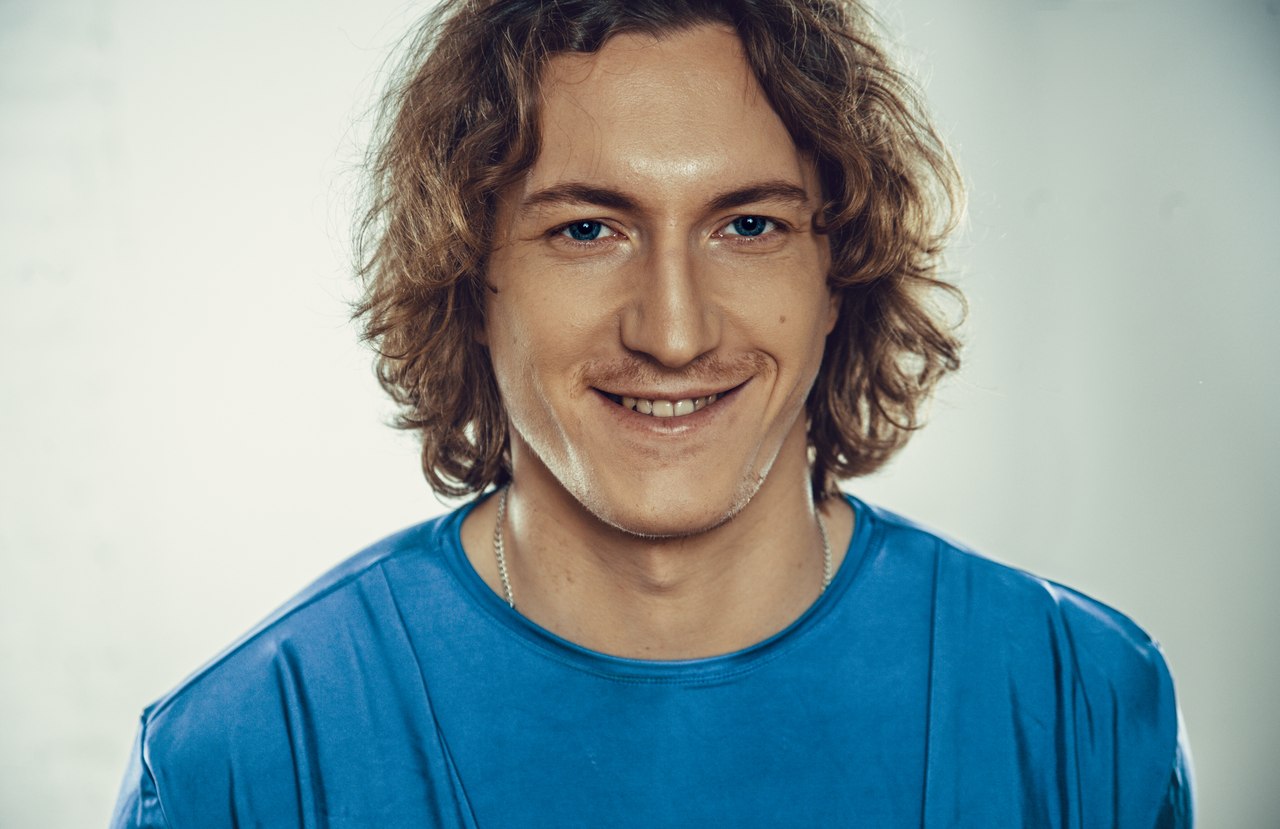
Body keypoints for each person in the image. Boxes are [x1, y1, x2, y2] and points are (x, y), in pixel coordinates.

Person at [110, 1, 1193, 826]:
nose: (673, 331)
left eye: (748, 226)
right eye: (587, 230)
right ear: (469, 279)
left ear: (839, 274)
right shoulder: (243, 754)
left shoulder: (1079, 700)